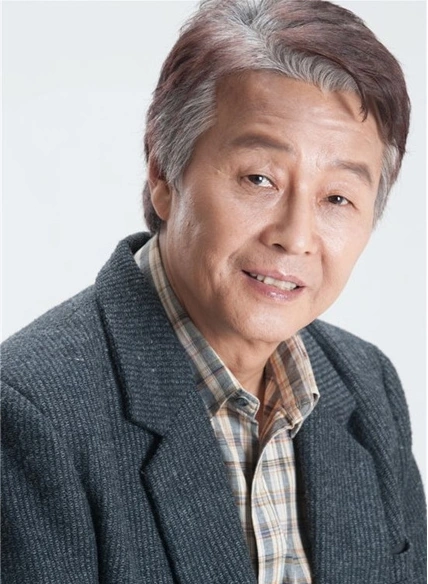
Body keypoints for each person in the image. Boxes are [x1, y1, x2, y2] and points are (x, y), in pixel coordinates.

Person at [2, 0, 426, 582]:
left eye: (337, 198)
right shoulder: (31, 413)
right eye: (260, 178)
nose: (295, 237)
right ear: (163, 172)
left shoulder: (368, 385)